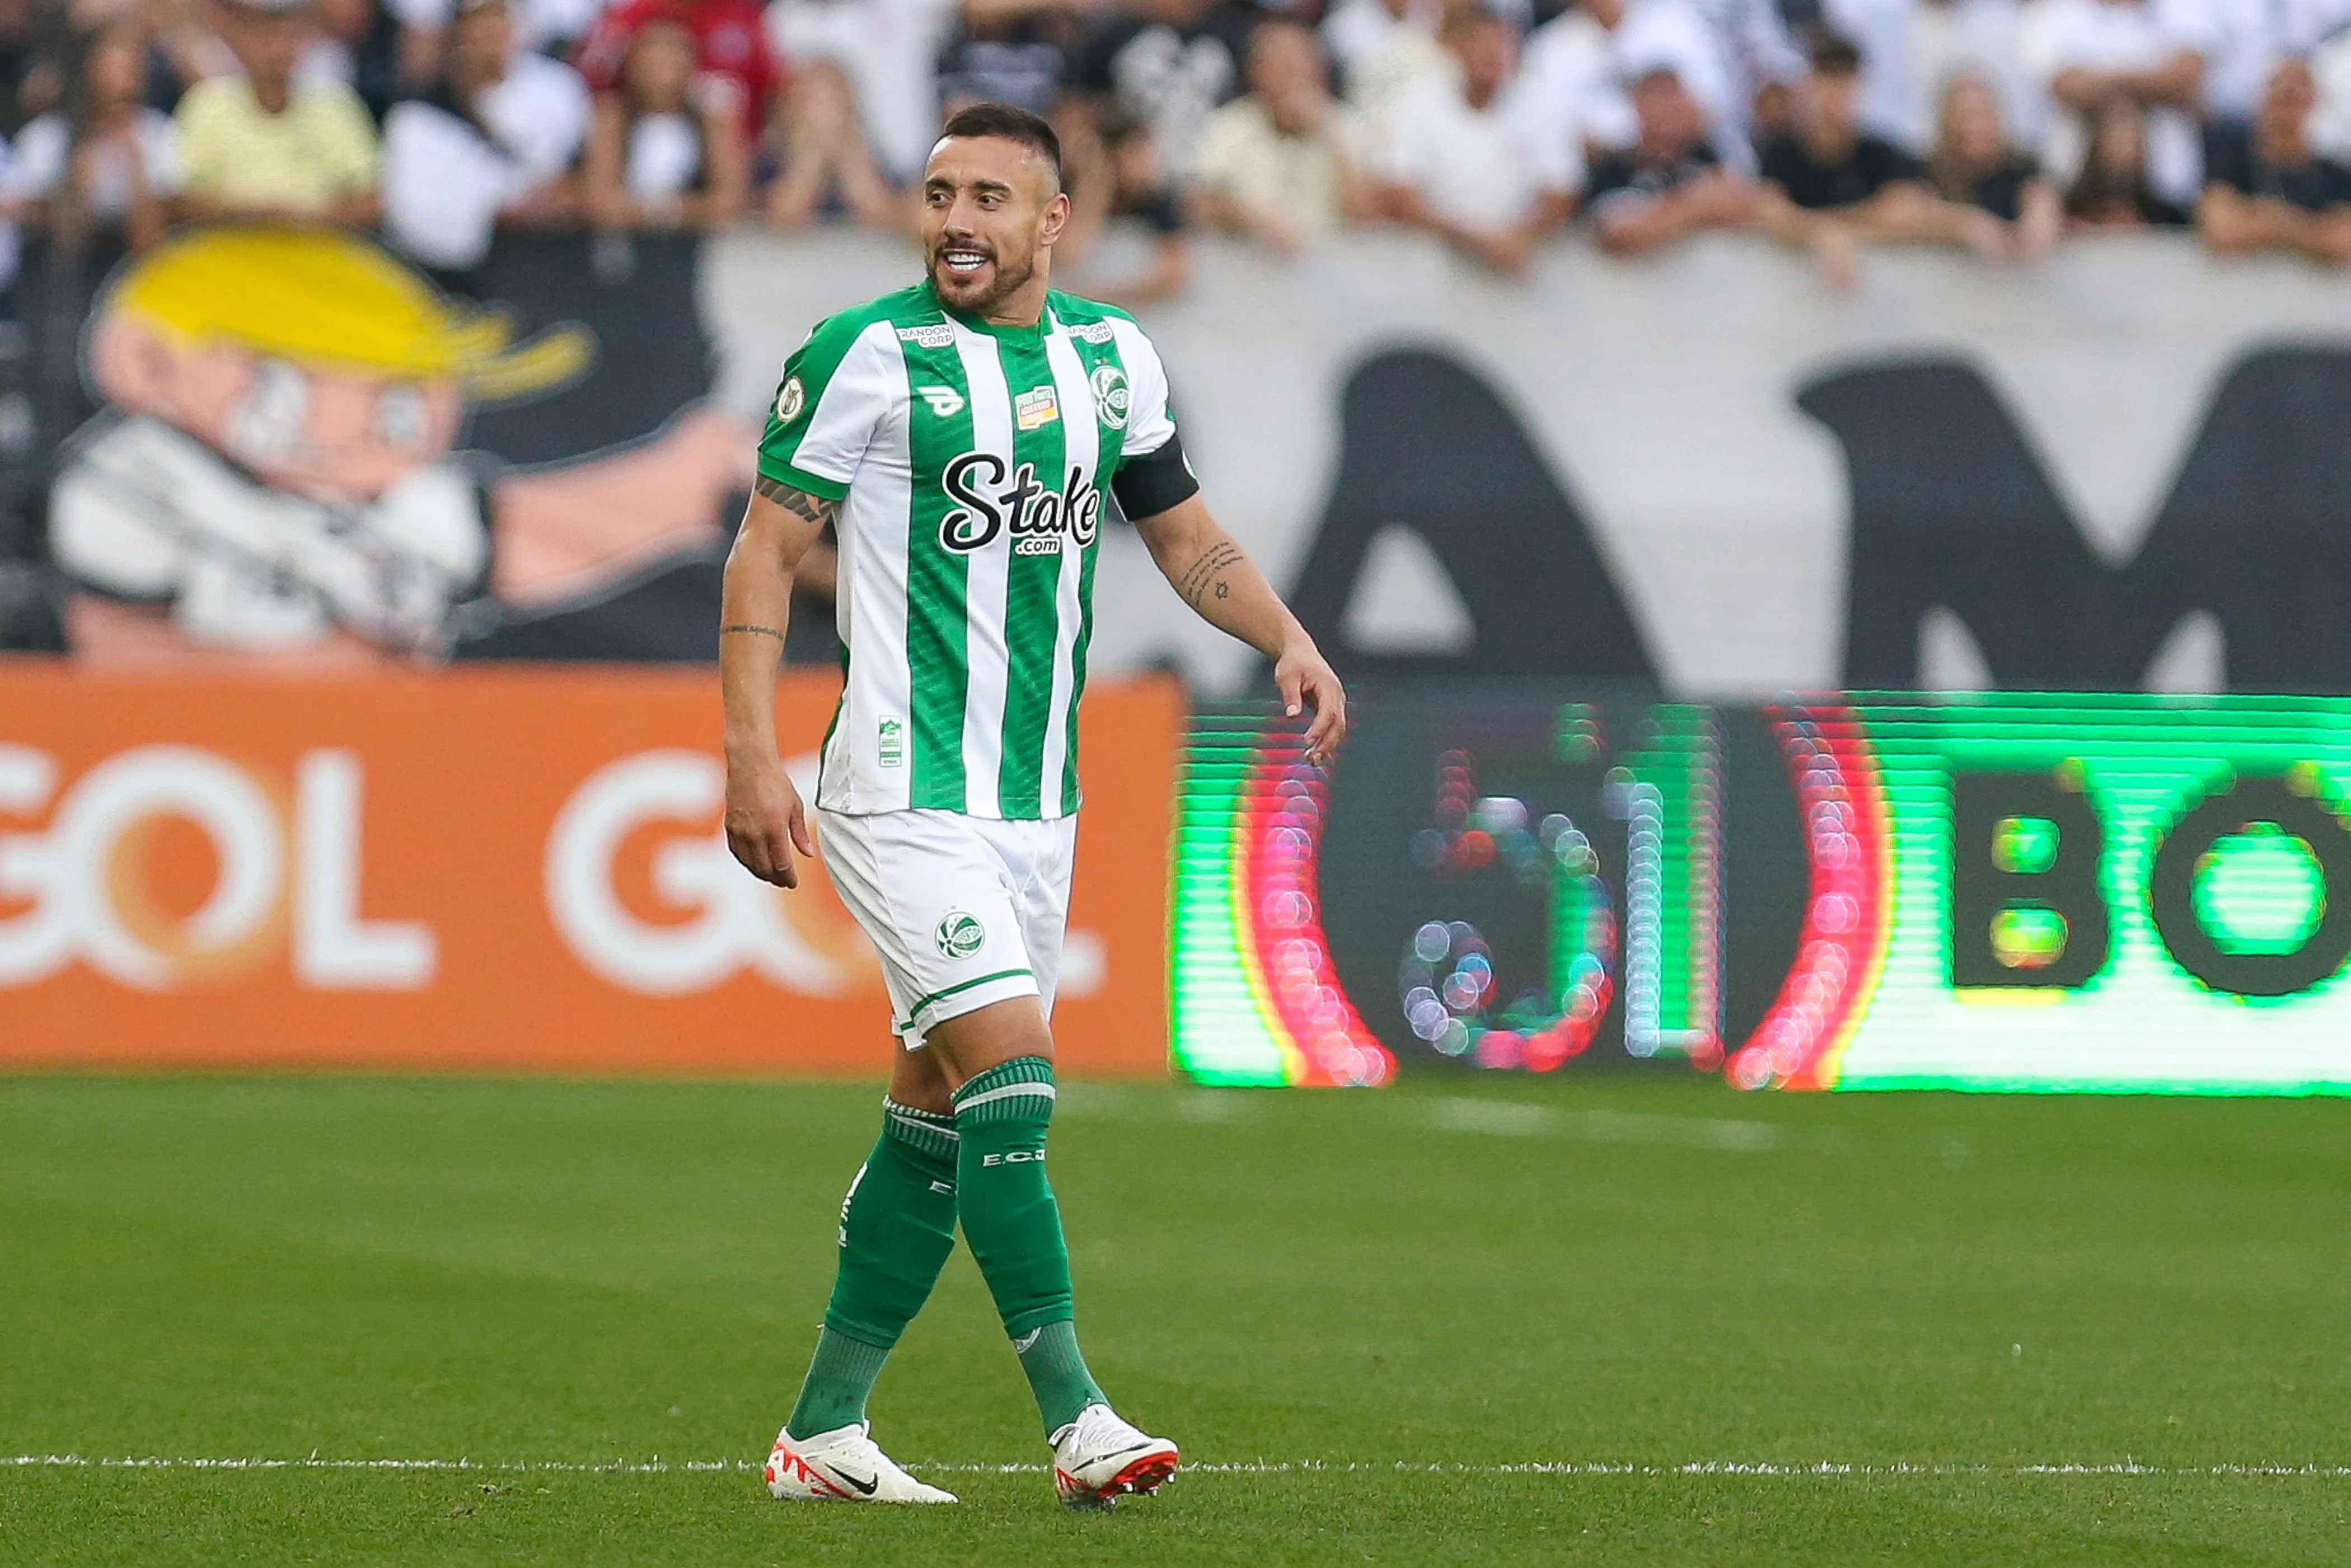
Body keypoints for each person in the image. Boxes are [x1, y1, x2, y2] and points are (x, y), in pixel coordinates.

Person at [722, 101, 1345, 1510]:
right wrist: (751, 754)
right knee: (1015, 1082)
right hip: (897, 785)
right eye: (940, 191)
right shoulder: (866, 353)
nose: (956, 218)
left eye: (990, 198)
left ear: (1054, 221)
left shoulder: (1113, 359)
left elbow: (1179, 533)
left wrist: (1287, 637)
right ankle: (1078, 1419)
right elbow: (766, 550)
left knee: (933, 1112)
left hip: (1035, 800)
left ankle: (824, 1430)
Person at [1379, 5, 1580, 275]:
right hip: (1431, 265)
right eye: (1479, 41)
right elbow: (1399, 190)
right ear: (1456, 47)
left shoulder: (1543, 105)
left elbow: (1561, 191)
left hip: (1515, 267)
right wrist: (1475, 239)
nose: (1491, 52)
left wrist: (1517, 236)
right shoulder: (1417, 101)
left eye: (1501, 41)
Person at [172, 0, 380, 224]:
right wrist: (254, 214)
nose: (278, 47)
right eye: (264, 34)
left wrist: (303, 219)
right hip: (223, 251)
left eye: (289, 35)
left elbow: (370, 200)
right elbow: (180, 198)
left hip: (320, 251)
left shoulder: (337, 105)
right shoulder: (207, 103)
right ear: (240, 38)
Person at [1190, 18, 1376, 252]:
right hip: (1248, 271)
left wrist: (1331, 136)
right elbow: (1199, 203)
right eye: (1282, 62)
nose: (1295, 71)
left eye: (1304, 59)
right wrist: (1251, 215)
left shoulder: (1349, 124)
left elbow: (1369, 219)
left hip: (1336, 275)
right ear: (1255, 71)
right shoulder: (1228, 127)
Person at [10, 18, 181, 259]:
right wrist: (79, 165)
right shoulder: (48, 137)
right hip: (63, 280)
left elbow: (152, 246)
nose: (134, 62)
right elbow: (62, 248)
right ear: (87, 62)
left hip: (132, 270)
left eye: (139, 51)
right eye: (119, 50)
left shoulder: (157, 132)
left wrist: (135, 164)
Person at [2035, 0, 2213, 213]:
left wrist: (2103, 82)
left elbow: (2187, 79)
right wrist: (2154, 84)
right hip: (2077, 188)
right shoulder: (2065, 12)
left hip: (2171, 188)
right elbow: (2066, 86)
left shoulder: (2184, 8)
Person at [582, 14, 750, 230]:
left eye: (675, 54)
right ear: (632, 64)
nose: (664, 66)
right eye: (654, 56)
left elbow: (730, 200)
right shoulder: (612, 118)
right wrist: (667, 211)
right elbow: (599, 200)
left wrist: (670, 211)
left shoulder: (711, 120)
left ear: (693, 64)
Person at [1583, 65, 1760, 254]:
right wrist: (1695, 203)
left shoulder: (1709, 156)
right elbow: (1622, 233)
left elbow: (1746, 204)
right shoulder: (1615, 167)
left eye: (1672, 96)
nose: (1666, 108)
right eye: (1656, 97)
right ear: (1637, 105)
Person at [2198, 55, 2351, 263]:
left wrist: (2276, 221)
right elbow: (2219, 229)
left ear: (2314, 101)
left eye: (2300, 88)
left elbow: (2343, 244)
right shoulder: (2233, 160)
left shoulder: (2335, 175)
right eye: (2280, 88)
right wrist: (2314, 230)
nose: (2290, 91)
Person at [1926, 70, 2059, 254]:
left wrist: (2038, 224)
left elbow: (2041, 202)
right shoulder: (1928, 172)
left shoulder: (2022, 169)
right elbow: (1902, 212)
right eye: (1964, 116)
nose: (1974, 127)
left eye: (1981, 114)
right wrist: (1965, 224)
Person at [2064, 95, 2190, 223]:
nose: (2124, 138)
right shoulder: (2064, 213)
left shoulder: (2170, 215)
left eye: (2131, 131)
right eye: (2115, 128)